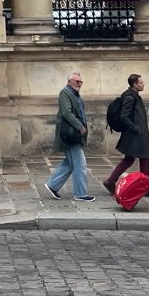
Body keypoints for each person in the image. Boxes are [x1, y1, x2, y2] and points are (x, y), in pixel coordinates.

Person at [102, 73, 149, 198]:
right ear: (134, 84)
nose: (143, 84)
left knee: (133, 159)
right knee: (141, 159)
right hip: (135, 135)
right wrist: (135, 129)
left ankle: (112, 181)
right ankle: (146, 188)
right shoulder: (130, 97)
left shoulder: (133, 96)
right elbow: (124, 116)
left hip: (136, 133)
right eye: (140, 83)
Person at [43, 72, 94, 202]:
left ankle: (52, 185)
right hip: (70, 135)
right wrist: (80, 127)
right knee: (80, 164)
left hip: (74, 135)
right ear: (69, 81)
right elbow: (66, 112)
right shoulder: (65, 93)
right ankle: (80, 194)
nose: (80, 84)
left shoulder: (74, 94)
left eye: (81, 82)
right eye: (77, 82)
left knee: (70, 163)